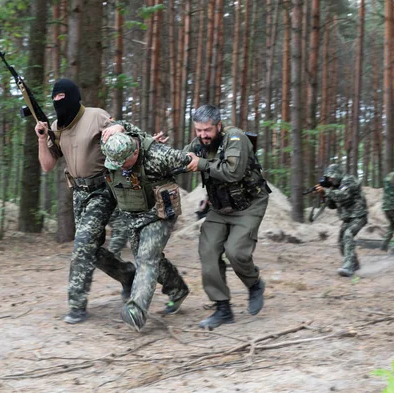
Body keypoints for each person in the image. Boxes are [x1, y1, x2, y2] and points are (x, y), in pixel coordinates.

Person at [35, 78, 137, 324]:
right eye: (55, 101)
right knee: (91, 249)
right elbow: (47, 165)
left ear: (74, 97)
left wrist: (119, 128)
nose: (60, 104)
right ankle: (127, 274)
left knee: (81, 243)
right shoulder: (57, 126)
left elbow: (123, 131)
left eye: (63, 99)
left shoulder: (96, 116)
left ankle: (76, 305)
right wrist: (41, 138)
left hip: (103, 190)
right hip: (78, 194)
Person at [183, 104, 271, 330]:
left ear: (218, 126)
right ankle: (223, 308)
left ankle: (254, 284)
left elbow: (233, 172)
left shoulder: (235, 138)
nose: (203, 135)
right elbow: (183, 158)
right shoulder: (199, 144)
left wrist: (199, 163)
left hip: (249, 205)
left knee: (236, 251)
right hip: (220, 208)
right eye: (198, 130)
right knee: (208, 252)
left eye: (207, 130)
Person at [101, 131, 191, 332]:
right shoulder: (111, 147)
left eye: (124, 163)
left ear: (134, 152)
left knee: (146, 257)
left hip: (160, 212)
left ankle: (136, 310)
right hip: (134, 215)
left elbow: (191, 159)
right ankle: (178, 289)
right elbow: (108, 126)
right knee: (151, 261)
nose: (120, 168)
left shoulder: (160, 155)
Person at [314, 164, 368, 277]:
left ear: (338, 174)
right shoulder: (335, 186)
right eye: (328, 178)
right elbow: (333, 206)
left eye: (332, 177)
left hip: (359, 215)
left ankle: (348, 267)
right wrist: (324, 195)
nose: (330, 180)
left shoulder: (349, 180)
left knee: (348, 235)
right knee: (341, 242)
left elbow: (344, 195)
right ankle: (354, 264)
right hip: (348, 217)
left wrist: (326, 191)